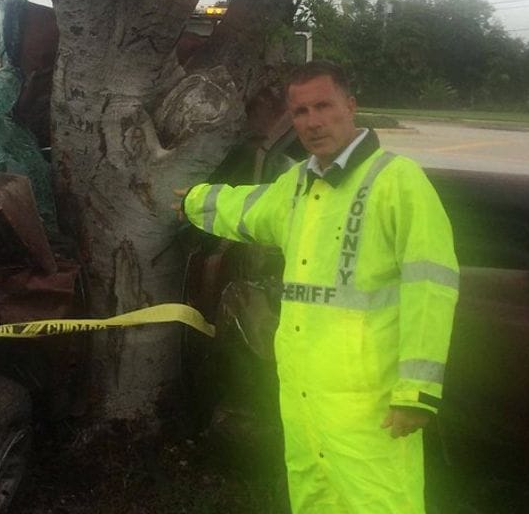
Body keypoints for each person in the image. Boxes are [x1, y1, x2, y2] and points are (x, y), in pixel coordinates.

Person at [180, 61, 459, 513]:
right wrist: (193, 201)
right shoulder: (297, 185)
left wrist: (418, 392)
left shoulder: (398, 181)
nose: (312, 122)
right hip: (303, 395)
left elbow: (432, 286)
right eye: (301, 111)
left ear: (350, 106)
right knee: (312, 500)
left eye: (323, 106)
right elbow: (247, 208)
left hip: (369, 405)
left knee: (381, 503)